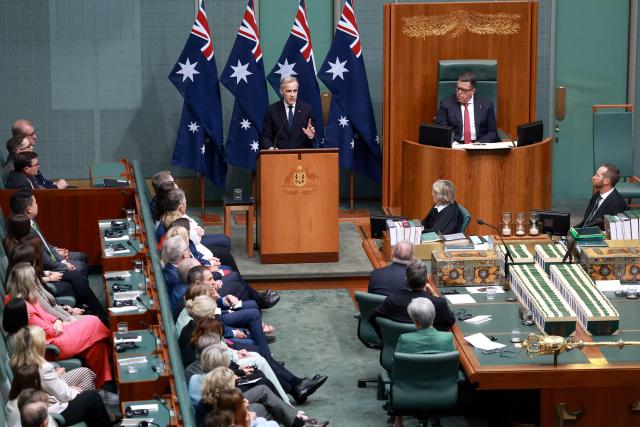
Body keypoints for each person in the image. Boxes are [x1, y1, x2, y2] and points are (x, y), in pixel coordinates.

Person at [5, 263, 113, 387]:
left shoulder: (26, 296)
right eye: (33, 279)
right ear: (26, 283)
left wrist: (57, 320)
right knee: (93, 321)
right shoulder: (22, 306)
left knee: (96, 344)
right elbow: (50, 331)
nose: (36, 282)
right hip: (52, 344)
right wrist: (59, 323)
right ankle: (114, 345)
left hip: (57, 331)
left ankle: (102, 384)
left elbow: (48, 316)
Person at [392, 298, 455, 427]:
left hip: (409, 390)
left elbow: (396, 367)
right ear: (434, 315)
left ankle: (398, 422)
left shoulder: (405, 339)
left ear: (414, 319)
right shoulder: (448, 338)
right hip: (442, 390)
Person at [10, 189, 89, 274]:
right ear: (29, 209)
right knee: (81, 267)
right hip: (47, 268)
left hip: (51, 255)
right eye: (35, 203)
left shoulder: (31, 220)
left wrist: (57, 253)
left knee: (82, 256)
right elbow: (44, 260)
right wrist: (64, 265)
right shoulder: (25, 229)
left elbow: (45, 244)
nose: (37, 205)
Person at [370, 260, 455, 334]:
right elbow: (450, 321)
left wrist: (385, 339)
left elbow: (373, 318)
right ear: (426, 280)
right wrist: (434, 294)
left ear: (406, 280)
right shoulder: (438, 303)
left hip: (399, 347)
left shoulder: (392, 300)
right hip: (431, 349)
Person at [435, 72, 498, 143]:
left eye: (464, 90)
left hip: (479, 144)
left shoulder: (486, 105)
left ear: (473, 91)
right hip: (456, 145)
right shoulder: (446, 105)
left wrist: (478, 144)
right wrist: (454, 144)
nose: (459, 92)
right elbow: (441, 132)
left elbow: (492, 133)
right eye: (458, 88)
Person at [261, 76, 316, 150]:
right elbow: (266, 137)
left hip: (301, 157)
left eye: (295, 91)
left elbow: (314, 141)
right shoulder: (272, 110)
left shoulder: (306, 109)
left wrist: (310, 136)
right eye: (289, 91)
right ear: (281, 92)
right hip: (279, 157)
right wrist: (271, 149)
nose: (292, 95)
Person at [9, 119, 68, 188]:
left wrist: (55, 184)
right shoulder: (17, 165)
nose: (35, 137)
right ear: (20, 137)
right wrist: (57, 187)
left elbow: (42, 182)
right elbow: (36, 189)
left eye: (34, 133)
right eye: (31, 134)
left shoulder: (26, 158)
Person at [575, 163, 628, 229]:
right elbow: (587, 220)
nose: (593, 177)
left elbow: (613, 231)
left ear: (606, 181)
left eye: (597, 175)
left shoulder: (617, 204)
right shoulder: (597, 196)